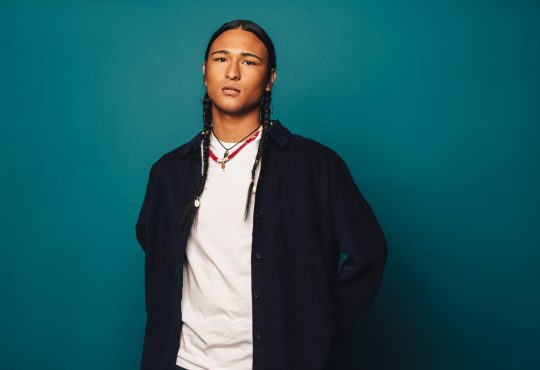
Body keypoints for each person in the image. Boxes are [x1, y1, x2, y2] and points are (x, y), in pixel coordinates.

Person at [135, 19, 388, 370]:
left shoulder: (314, 166)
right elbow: (155, 246)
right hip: (183, 362)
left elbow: (368, 253)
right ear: (205, 72)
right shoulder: (169, 172)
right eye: (221, 59)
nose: (233, 72)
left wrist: (316, 330)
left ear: (270, 79)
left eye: (249, 61)